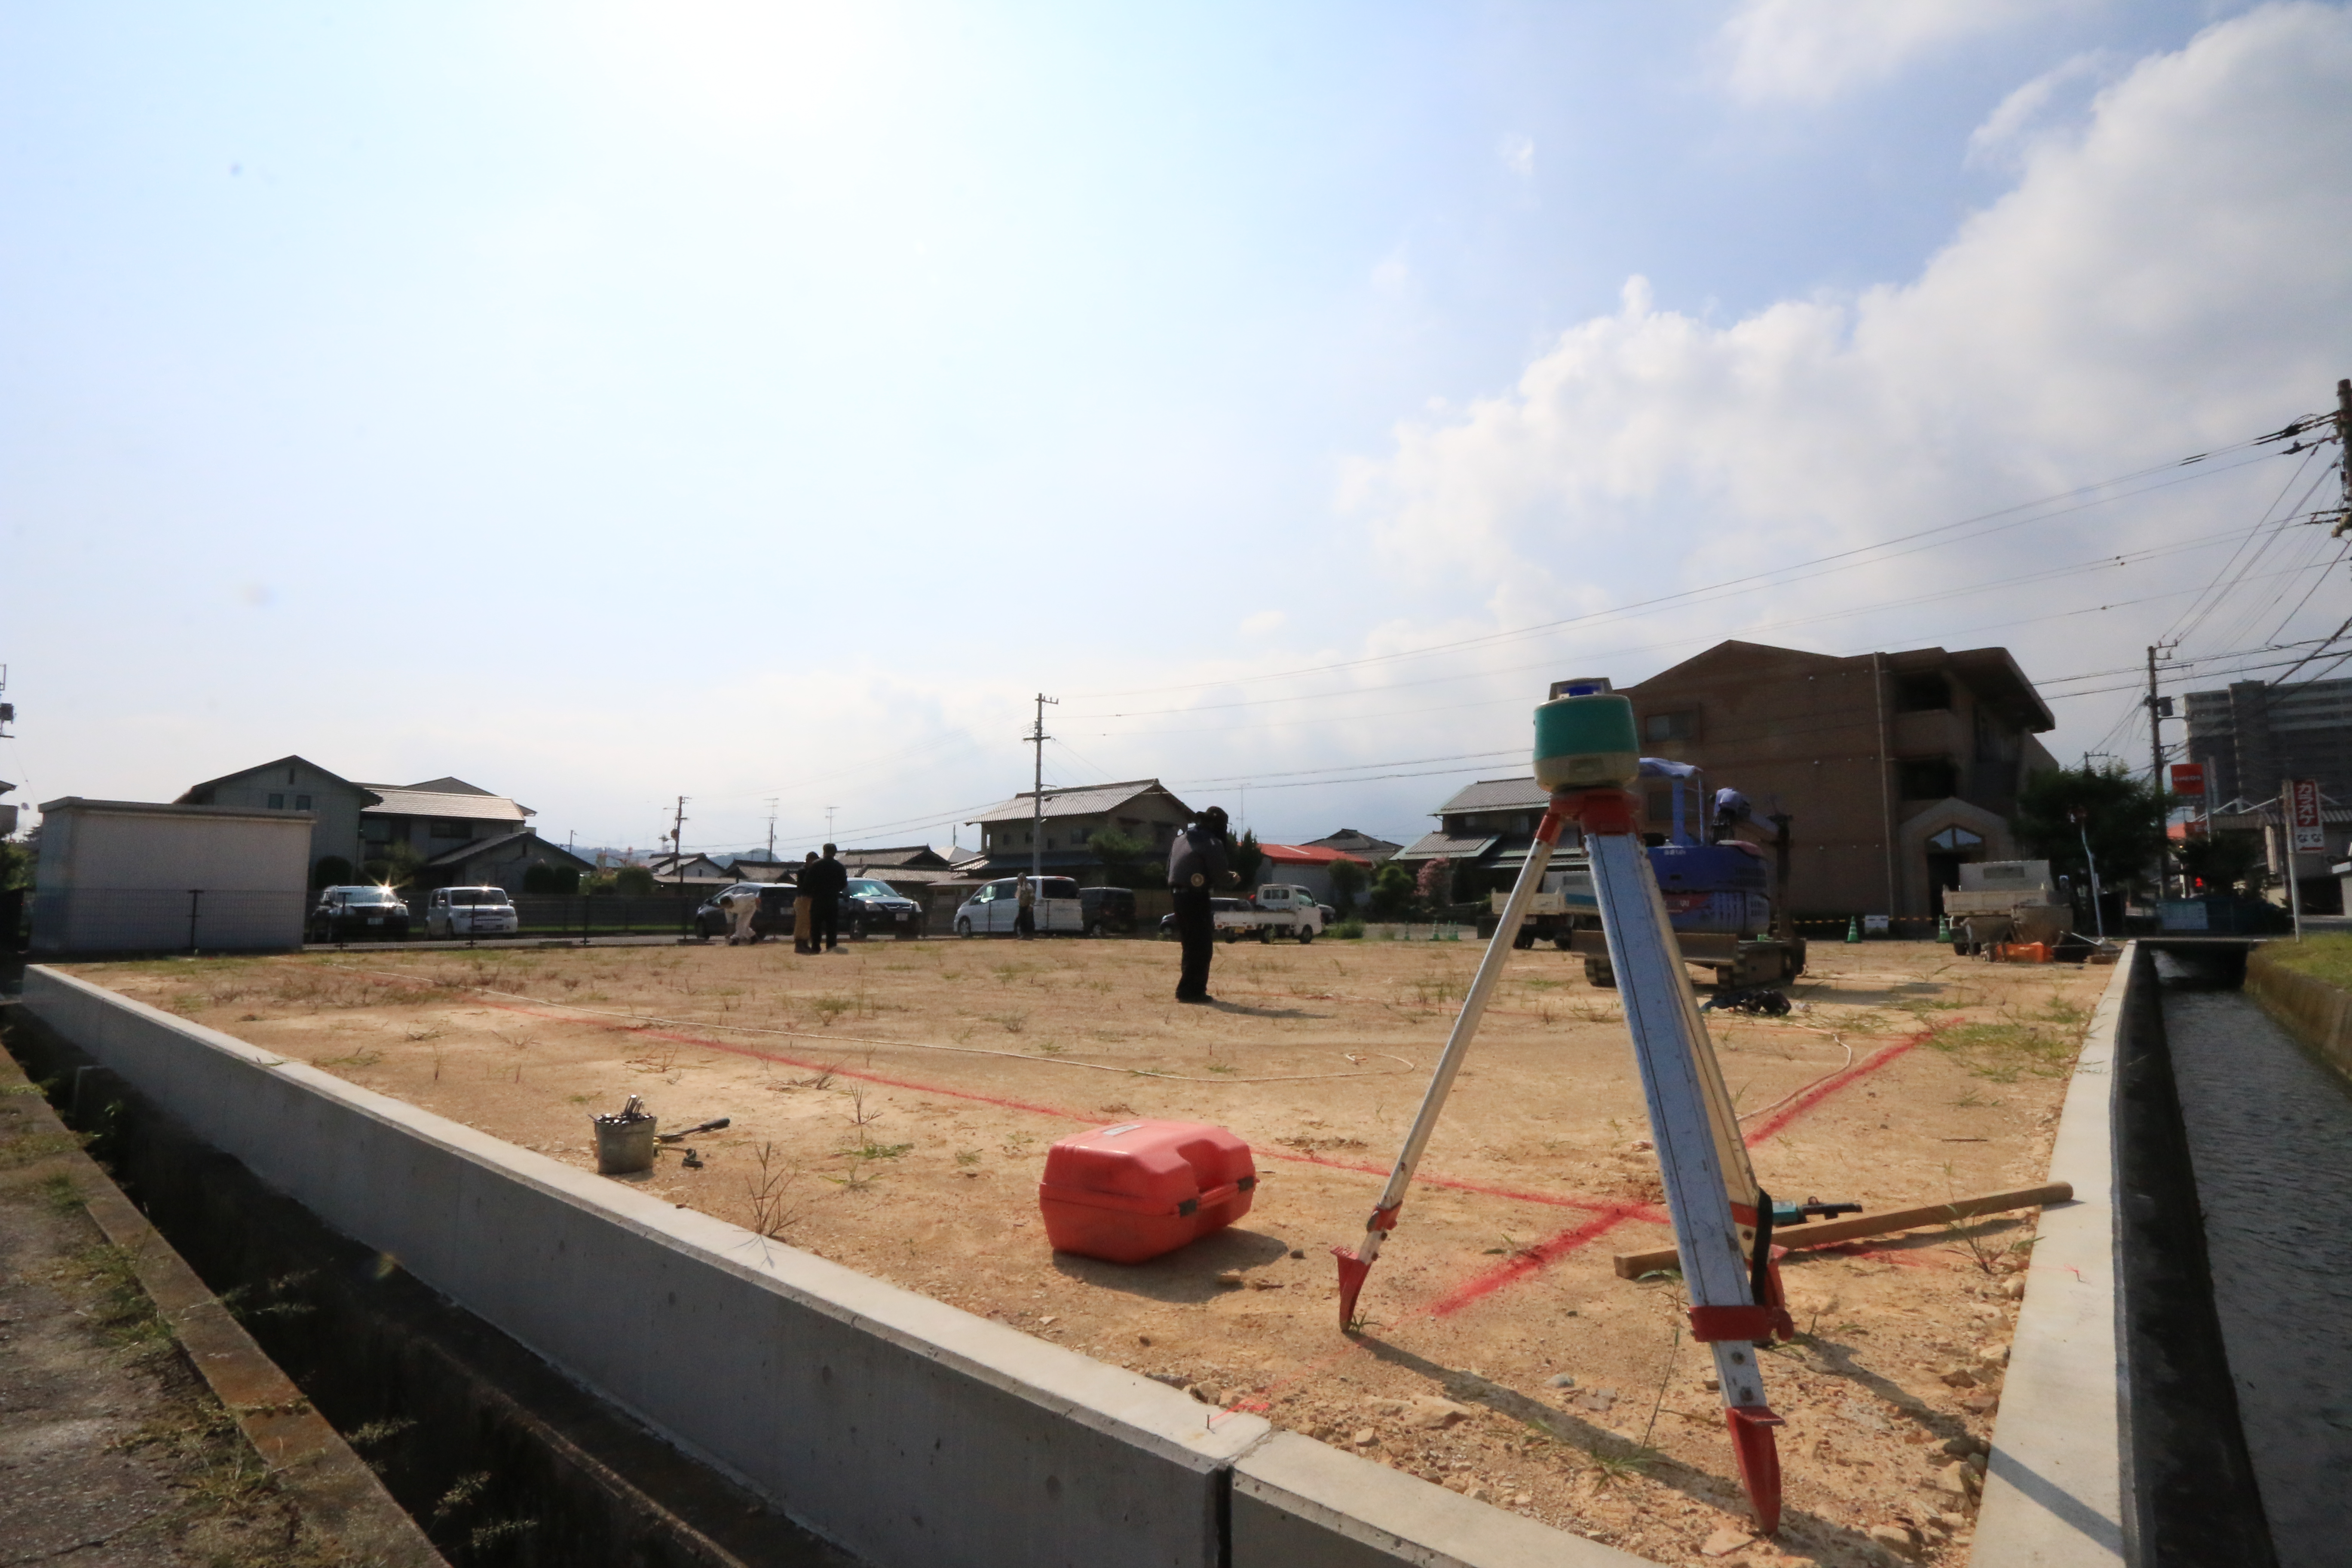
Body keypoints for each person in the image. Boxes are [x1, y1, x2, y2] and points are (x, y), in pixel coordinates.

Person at [1167, 806, 1236, 1003]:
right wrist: (1234, 879)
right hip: (1196, 897)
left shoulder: (1180, 840)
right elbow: (1221, 876)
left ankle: (1185, 988)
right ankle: (1193, 991)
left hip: (1178, 896)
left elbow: (1169, 870)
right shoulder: (1212, 843)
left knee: (1189, 945)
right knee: (1202, 946)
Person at [807, 842, 848, 952]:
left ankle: (815, 947)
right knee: (832, 925)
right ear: (835, 853)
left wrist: (814, 891)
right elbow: (844, 884)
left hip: (818, 899)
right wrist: (835, 889)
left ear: (824, 852)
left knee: (816, 924)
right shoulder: (839, 867)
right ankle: (831, 947)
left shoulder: (816, 865)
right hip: (832, 899)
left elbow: (808, 882)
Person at [793, 852, 818, 954]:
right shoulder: (803, 871)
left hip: (810, 899)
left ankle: (805, 942)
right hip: (803, 898)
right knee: (802, 922)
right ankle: (799, 944)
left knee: (808, 922)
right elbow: (804, 886)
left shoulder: (812, 871)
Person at [1015, 875, 1036, 940]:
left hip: (1028, 906)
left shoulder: (1028, 887)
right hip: (1022, 906)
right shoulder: (1019, 887)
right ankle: (1024, 935)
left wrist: (1031, 906)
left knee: (1029, 921)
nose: (1019, 881)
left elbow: (1033, 897)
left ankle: (1030, 935)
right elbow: (1018, 896)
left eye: (1020, 879)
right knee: (1022, 921)